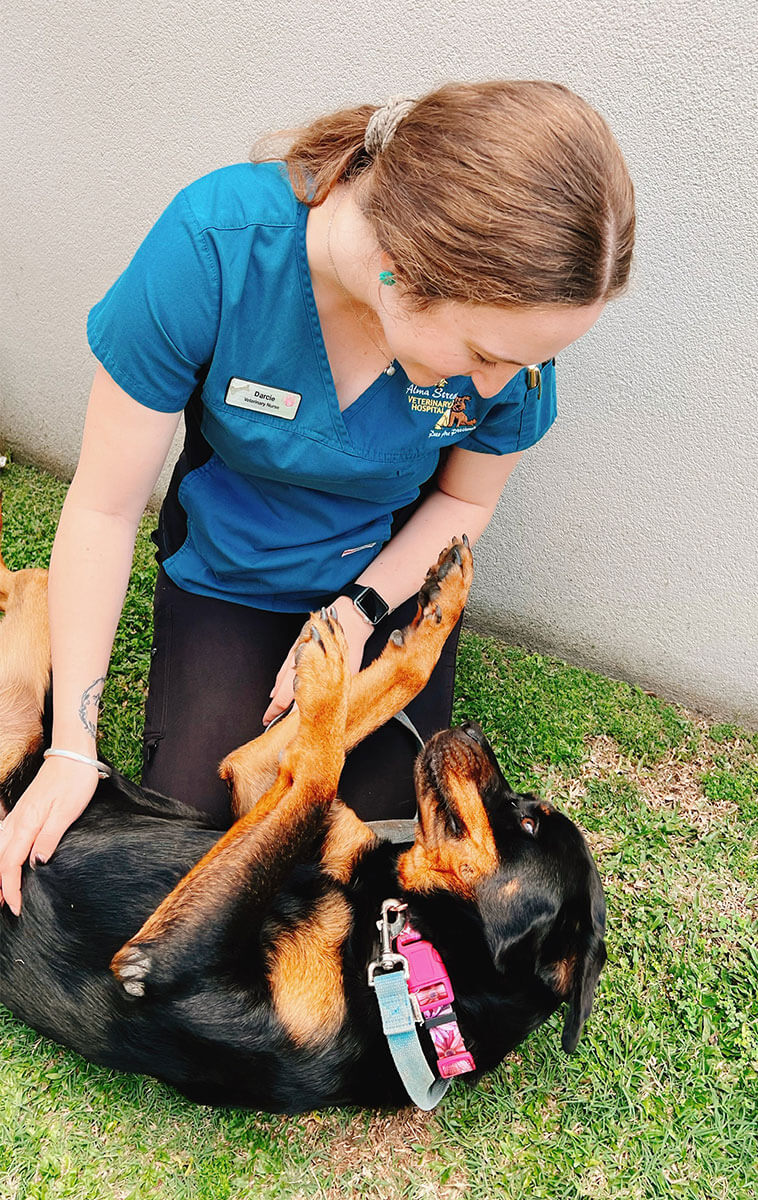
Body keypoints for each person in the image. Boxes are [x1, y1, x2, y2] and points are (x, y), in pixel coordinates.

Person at [0, 80, 635, 913]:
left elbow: (464, 506)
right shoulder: (214, 247)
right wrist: (73, 749)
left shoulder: (504, 362)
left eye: (529, 360)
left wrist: (357, 611)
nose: (505, 385)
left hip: (383, 581)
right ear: (405, 272)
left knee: (352, 869)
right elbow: (105, 507)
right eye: (486, 353)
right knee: (199, 842)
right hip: (229, 568)